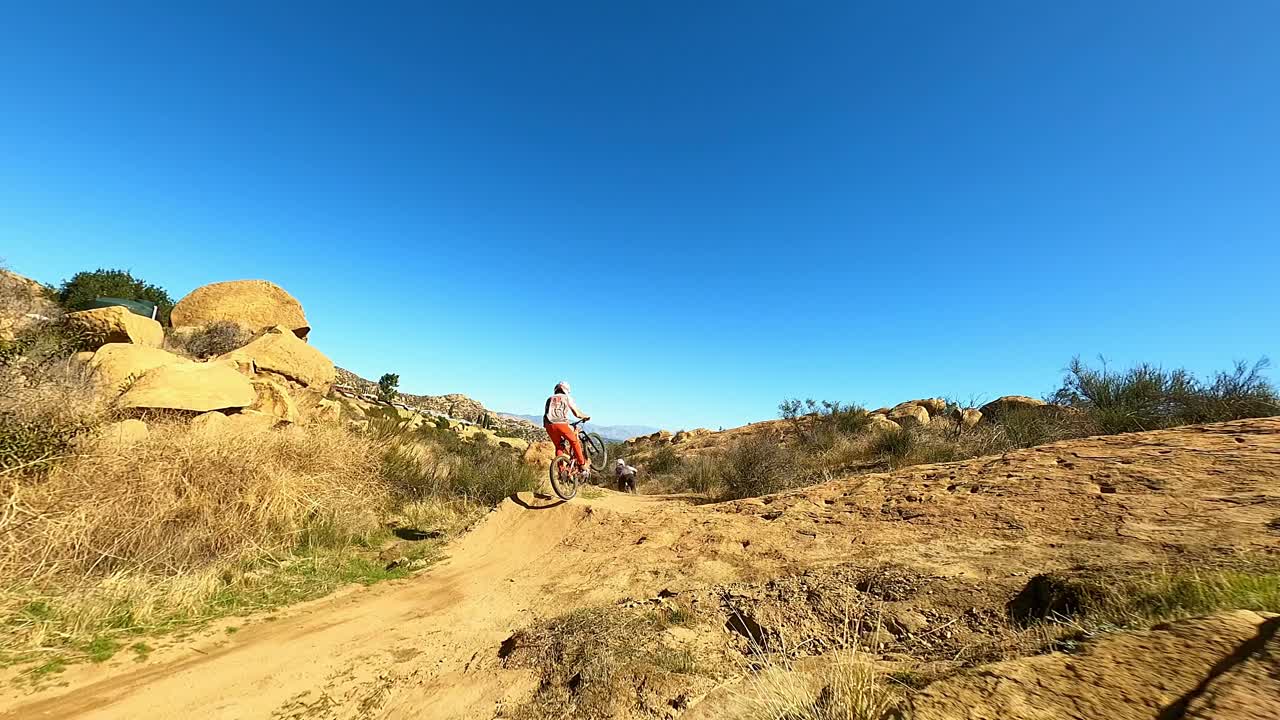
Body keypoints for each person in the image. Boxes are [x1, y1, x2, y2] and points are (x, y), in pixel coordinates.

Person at [544, 381, 591, 475]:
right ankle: (582, 464)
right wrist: (585, 416)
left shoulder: (549, 399)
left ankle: (561, 470)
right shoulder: (566, 397)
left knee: (559, 447)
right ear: (566, 390)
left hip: (548, 425)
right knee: (574, 442)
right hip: (561, 423)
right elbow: (577, 413)